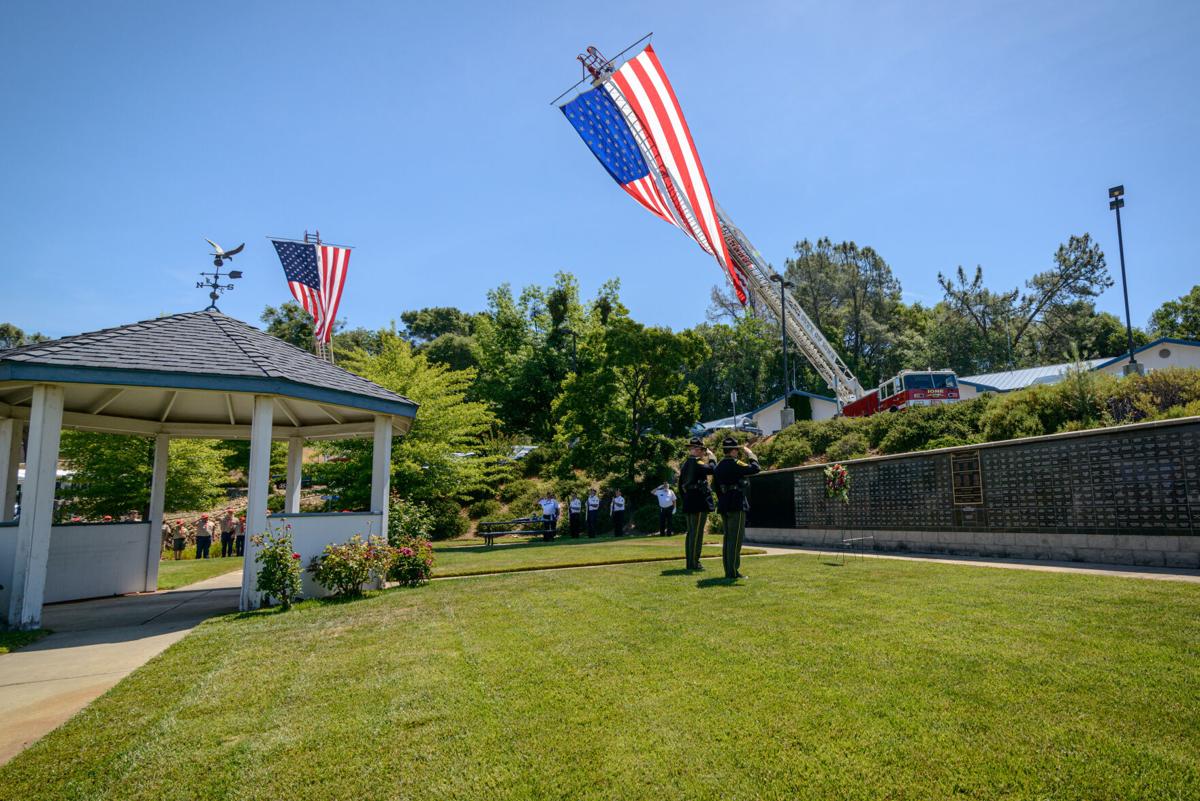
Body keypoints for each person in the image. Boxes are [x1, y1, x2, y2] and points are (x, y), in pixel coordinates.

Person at [713, 436, 761, 580]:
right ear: (733, 450)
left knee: (728, 538)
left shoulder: (719, 466)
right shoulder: (735, 463)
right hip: (736, 504)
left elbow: (715, 487)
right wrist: (751, 454)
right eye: (737, 450)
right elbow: (755, 468)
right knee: (736, 539)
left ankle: (728, 570)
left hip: (724, 503)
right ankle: (733, 572)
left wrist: (723, 498)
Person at [678, 437, 717, 570]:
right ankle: (694, 563)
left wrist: (687, 499)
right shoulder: (696, 462)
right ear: (697, 450)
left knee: (691, 533)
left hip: (690, 501)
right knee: (696, 534)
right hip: (698, 502)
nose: (702, 452)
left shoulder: (685, 464)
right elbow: (712, 469)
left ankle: (690, 562)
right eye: (701, 450)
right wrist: (712, 458)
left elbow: (680, 486)